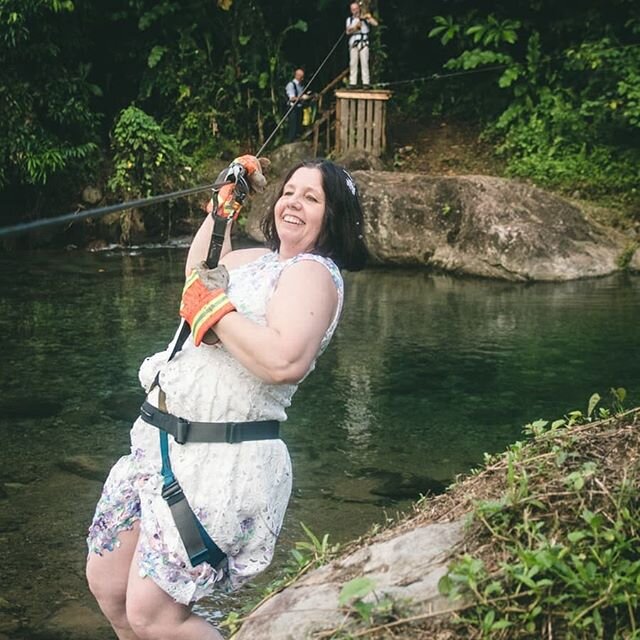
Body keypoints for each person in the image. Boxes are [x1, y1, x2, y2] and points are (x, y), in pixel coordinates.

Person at [85, 155, 368, 640]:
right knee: (109, 584)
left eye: (312, 197)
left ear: (333, 217)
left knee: (154, 614)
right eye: (289, 191)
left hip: (220, 462)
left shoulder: (314, 273)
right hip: (156, 447)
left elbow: (284, 360)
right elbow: (200, 273)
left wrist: (215, 312)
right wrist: (220, 211)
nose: (294, 202)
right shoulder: (250, 259)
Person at [345, 2, 379, 89]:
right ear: (351, 11)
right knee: (353, 63)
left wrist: (369, 17)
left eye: (356, 9)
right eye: (353, 9)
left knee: (364, 62)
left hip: (364, 42)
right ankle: (352, 83)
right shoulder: (350, 20)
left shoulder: (364, 18)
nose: (355, 11)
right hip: (353, 42)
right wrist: (356, 27)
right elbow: (348, 31)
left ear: (359, 9)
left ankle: (366, 83)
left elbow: (375, 24)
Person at [285, 68, 309, 142]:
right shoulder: (291, 85)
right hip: (292, 108)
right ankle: (290, 142)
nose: (302, 79)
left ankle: (297, 140)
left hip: (299, 108)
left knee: (299, 125)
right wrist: (302, 97)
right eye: (301, 77)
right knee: (293, 126)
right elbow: (292, 98)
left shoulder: (301, 85)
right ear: (297, 76)